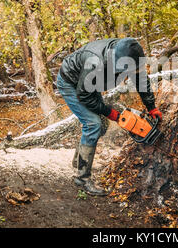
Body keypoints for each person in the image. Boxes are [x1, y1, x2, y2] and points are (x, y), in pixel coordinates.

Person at [56, 38, 162, 196]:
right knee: (93, 124)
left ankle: (79, 162)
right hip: (71, 83)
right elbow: (84, 95)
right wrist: (110, 112)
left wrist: (151, 107)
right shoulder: (96, 62)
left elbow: (141, 81)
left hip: (88, 85)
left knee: (102, 126)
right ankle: (82, 178)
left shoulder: (131, 55)